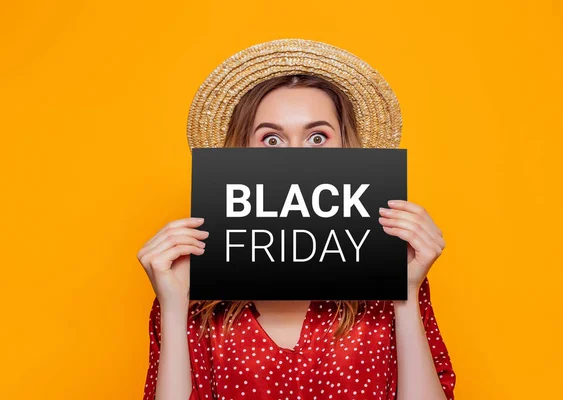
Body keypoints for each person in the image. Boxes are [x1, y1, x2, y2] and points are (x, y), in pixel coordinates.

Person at [138, 39, 456, 400]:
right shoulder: (191, 291)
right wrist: (174, 305)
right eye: (271, 140)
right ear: (241, 156)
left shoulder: (392, 276)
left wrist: (406, 294)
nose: (294, 158)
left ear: (345, 152)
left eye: (317, 137)